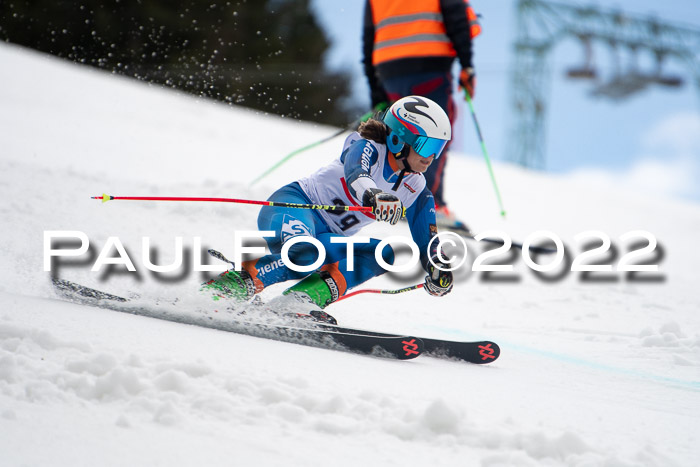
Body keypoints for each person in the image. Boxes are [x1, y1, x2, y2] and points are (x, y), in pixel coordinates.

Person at [201, 96, 455, 320]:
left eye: (438, 148)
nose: (431, 157)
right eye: (426, 146)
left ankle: (298, 301)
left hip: (327, 237)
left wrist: (438, 267)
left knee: (384, 253)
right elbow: (357, 171)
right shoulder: (367, 146)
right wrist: (373, 194)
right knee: (305, 252)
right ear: (400, 139)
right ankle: (228, 287)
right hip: (293, 206)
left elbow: (428, 240)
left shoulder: (416, 188)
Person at [362, 0, 480, 225]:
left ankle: (389, 192)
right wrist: (467, 65)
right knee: (435, 131)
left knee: (400, 132)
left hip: (388, 67)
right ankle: (426, 202)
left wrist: (375, 90)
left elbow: (369, 36)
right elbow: (456, 14)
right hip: (429, 62)